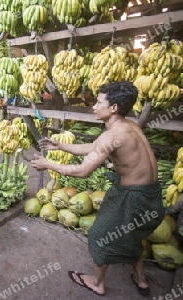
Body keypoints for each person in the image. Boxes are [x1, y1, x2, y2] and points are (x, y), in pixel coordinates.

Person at [30, 81, 164, 297]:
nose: (93, 106)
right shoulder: (130, 125)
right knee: (132, 235)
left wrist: (48, 165)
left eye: (99, 102)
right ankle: (141, 279)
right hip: (151, 197)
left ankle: (97, 283)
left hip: (133, 200)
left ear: (114, 108)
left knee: (100, 236)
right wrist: (61, 145)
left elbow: (83, 171)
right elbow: (94, 148)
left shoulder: (112, 136)